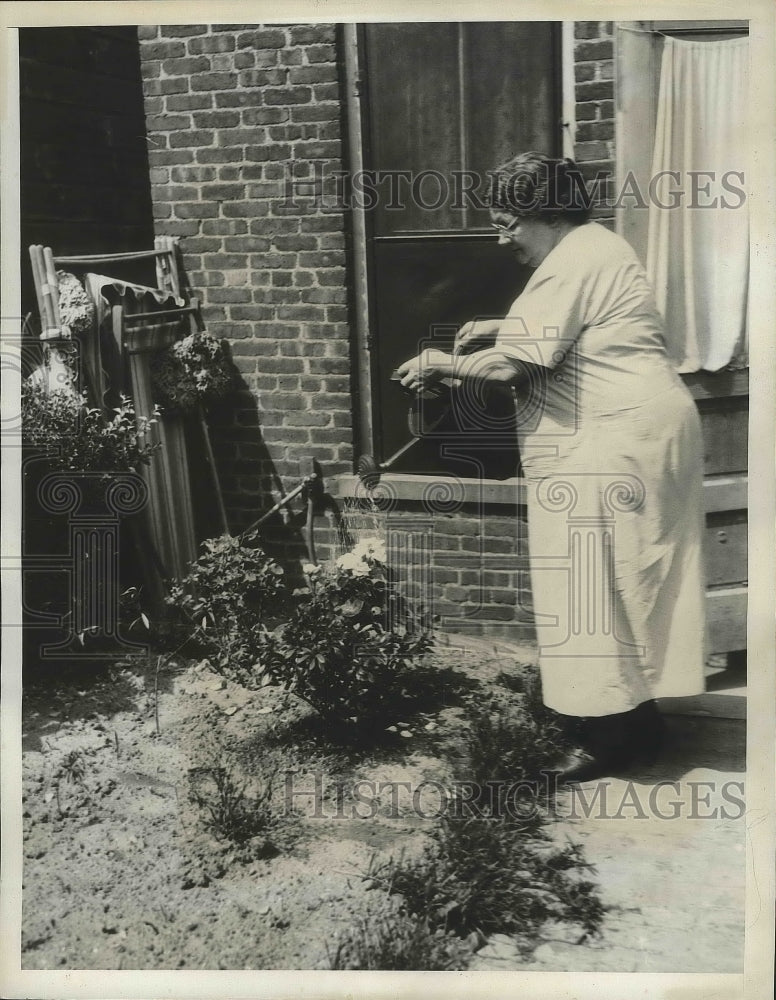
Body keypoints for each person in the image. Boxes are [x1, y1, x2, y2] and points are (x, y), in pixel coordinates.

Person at [396, 151, 706, 783]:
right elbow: (579, 332)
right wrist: (496, 325)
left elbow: (514, 367)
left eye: (509, 222)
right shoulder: (595, 248)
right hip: (637, 429)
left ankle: (607, 738)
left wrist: (438, 363)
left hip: (614, 437)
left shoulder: (571, 262)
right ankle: (640, 721)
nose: (501, 236)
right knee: (622, 578)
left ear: (545, 214)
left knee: (588, 579)